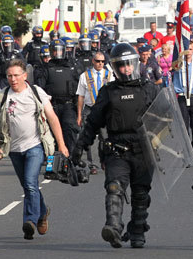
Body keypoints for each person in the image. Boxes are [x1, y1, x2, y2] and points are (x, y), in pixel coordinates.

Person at [71, 43, 159, 248]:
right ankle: (113, 226)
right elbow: (93, 122)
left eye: (129, 65)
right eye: (122, 66)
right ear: (115, 68)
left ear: (136, 65)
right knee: (114, 187)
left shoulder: (150, 88)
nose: (127, 69)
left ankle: (137, 230)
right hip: (117, 149)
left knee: (140, 193)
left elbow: (165, 119)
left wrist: (158, 139)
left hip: (144, 150)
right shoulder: (108, 92)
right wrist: (79, 147)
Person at [0, 59, 69, 239]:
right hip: (14, 149)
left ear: (25, 76)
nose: (13, 79)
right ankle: (42, 213)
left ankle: (30, 221)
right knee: (27, 185)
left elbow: (52, 118)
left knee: (30, 183)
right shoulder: (2, 96)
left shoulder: (35, 92)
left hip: (34, 146)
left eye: (16, 75)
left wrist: (62, 145)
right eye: (9, 76)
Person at [35, 40, 82, 152]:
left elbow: (79, 88)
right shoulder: (45, 68)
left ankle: (69, 158)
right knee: (51, 132)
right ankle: (53, 158)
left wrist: (79, 110)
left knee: (69, 128)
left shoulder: (72, 66)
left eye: (60, 50)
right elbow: (40, 88)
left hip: (68, 105)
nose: (57, 53)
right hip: (52, 105)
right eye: (55, 51)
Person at [76, 51, 114, 174]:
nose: (100, 64)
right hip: (89, 109)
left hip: (103, 110)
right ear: (93, 61)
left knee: (105, 137)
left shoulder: (110, 75)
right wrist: (79, 115)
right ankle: (91, 164)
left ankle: (103, 160)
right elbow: (80, 96)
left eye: (102, 61)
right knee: (88, 136)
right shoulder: (85, 75)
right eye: (98, 61)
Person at [172, 44, 193, 139]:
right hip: (182, 97)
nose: (188, 52)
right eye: (186, 49)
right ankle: (187, 148)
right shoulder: (178, 64)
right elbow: (171, 70)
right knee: (184, 124)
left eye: (190, 49)